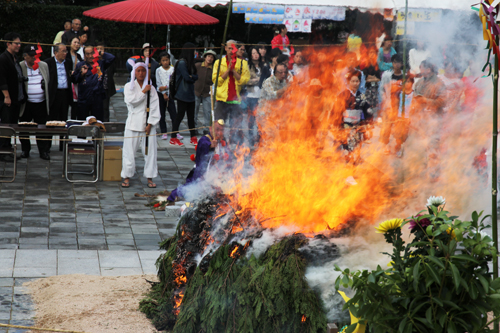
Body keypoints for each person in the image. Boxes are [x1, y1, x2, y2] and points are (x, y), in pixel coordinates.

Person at [166, 119, 228, 204]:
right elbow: (203, 149)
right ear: (210, 129)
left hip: (218, 174)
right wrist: (210, 146)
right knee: (191, 191)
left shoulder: (223, 141)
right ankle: (172, 197)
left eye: (221, 130)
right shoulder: (205, 140)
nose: (219, 132)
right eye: (217, 129)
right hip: (202, 175)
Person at [121, 61, 160, 189]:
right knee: (129, 152)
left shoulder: (152, 88)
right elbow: (132, 102)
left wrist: (150, 124)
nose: (141, 73)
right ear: (134, 73)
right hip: (133, 123)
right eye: (138, 71)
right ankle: (126, 175)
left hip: (148, 125)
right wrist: (143, 92)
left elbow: (154, 106)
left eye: (143, 71)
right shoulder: (129, 86)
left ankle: (150, 177)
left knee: (150, 152)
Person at [413, 59, 446, 181]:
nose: (421, 71)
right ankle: (423, 169)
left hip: (434, 119)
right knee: (422, 145)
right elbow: (414, 100)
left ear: (429, 69)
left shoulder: (439, 83)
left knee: (433, 146)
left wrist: (427, 101)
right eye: (421, 68)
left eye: (423, 68)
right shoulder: (419, 83)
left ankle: (434, 172)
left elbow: (443, 101)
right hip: (421, 120)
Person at [212, 39, 250, 143]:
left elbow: (244, 80)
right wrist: (227, 71)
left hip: (236, 99)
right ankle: (220, 143)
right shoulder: (218, 62)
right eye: (229, 48)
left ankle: (234, 145)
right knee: (219, 124)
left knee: (236, 125)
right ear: (225, 48)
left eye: (233, 48)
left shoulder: (242, 63)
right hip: (222, 98)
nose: (231, 50)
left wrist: (233, 70)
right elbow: (216, 81)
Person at [19, 45, 51, 160]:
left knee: (42, 128)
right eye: (31, 56)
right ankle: (25, 150)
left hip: (41, 102)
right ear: (25, 56)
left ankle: (43, 151)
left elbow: (48, 80)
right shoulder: (21, 66)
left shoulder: (43, 65)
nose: (34, 58)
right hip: (26, 103)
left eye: (35, 55)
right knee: (24, 127)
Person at [71, 45, 115, 121]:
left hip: (97, 98)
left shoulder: (101, 63)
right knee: (82, 122)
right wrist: (81, 74)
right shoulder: (80, 65)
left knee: (98, 122)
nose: (90, 56)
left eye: (92, 53)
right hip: (84, 98)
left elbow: (112, 58)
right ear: (84, 55)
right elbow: (74, 79)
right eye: (87, 54)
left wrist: (101, 53)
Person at [0, 32, 24, 161]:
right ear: (8, 44)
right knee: (6, 124)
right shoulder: (3, 58)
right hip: (7, 98)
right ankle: (3, 151)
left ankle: (8, 149)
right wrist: (6, 96)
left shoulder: (14, 58)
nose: (19, 45)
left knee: (12, 124)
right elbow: (2, 79)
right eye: (16, 43)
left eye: (20, 43)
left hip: (16, 97)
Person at [339, 70, 372, 163]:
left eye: (357, 81)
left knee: (356, 150)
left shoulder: (361, 96)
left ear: (360, 82)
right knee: (348, 150)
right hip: (345, 127)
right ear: (348, 82)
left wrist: (367, 124)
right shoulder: (342, 96)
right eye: (352, 81)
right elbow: (336, 112)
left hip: (357, 127)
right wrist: (338, 126)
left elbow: (367, 112)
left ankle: (354, 171)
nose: (354, 83)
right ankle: (349, 173)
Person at [170, 42, 198, 146]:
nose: (195, 52)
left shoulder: (190, 63)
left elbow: (196, 76)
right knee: (179, 116)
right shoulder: (181, 63)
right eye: (194, 50)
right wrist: (192, 77)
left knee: (191, 117)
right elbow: (187, 77)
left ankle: (193, 137)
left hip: (190, 94)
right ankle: (173, 137)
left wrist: (192, 77)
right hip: (182, 94)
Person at [246, 46, 270, 145]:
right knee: (251, 119)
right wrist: (257, 80)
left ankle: (260, 138)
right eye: (253, 53)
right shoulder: (247, 66)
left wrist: (259, 81)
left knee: (261, 119)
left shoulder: (264, 65)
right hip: (251, 95)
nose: (256, 55)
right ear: (250, 55)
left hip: (261, 96)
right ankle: (251, 138)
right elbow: (246, 80)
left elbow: (267, 79)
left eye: (257, 53)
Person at [45, 43, 72, 122]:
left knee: (63, 117)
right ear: (56, 52)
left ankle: (63, 134)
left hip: (65, 93)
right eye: (63, 51)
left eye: (66, 51)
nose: (65, 53)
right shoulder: (48, 63)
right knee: (52, 117)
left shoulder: (68, 62)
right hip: (54, 93)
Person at [379, 54, 405, 129]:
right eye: (395, 62)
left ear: (402, 63)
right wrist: (385, 101)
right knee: (386, 127)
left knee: (399, 128)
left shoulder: (405, 75)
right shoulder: (386, 75)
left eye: (399, 62)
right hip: (389, 104)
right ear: (392, 63)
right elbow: (381, 89)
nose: (397, 64)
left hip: (400, 105)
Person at [156, 52, 177, 140]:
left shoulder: (172, 69)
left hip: (171, 94)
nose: (165, 62)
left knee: (174, 114)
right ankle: (163, 132)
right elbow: (158, 83)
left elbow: (174, 82)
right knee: (162, 113)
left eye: (167, 60)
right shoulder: (158, 70)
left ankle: (175, 132)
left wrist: (166, 87)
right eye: (163, 60)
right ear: (160, 61)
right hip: (161, 94)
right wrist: (164, 93)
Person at [194, 50, 216, 130]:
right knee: (194, 111)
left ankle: (206, 129)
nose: (210, 59)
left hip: (207, 93)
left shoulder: (214, 69)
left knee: (207, 112)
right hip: (196, 91)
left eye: (212, 57)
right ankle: (194, 128)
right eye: (208, 56)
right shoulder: (198, 65)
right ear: (205, 57)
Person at [96, 42, 116, 122]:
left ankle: (105, 123)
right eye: (98, 49)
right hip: (96, 87)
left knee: (105, 107)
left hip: (106, 86)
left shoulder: (107, 60)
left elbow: (112, 58)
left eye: (101, 49)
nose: (99, 51)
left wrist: (103, 55)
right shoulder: (94, 60)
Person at [66, 37, 82, 119]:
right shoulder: (66, 55)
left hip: (76, 82)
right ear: (70, 43)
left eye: (78, 43)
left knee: (75, 105)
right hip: (68, 82)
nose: (77, 44)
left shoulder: (78, 56)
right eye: (75, 42)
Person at [362, 48, 381, 117]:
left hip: (376, 90)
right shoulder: (366, 66)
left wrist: (372, 78)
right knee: (368, 108)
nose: (372, 54)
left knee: (376, 108)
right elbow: (366, 78)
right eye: (370, 52)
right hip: (367, 90)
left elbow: (378, 79)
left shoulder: (377, 66)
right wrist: (374, 78)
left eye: (373, 52)